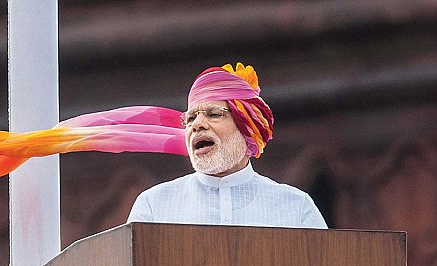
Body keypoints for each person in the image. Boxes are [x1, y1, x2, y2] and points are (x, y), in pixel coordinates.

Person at [127, 63, 328, 229]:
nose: (197, 125)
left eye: (214, 114)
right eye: (190, 118)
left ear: (246, 127)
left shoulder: (296, 207)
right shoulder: (153, 206)